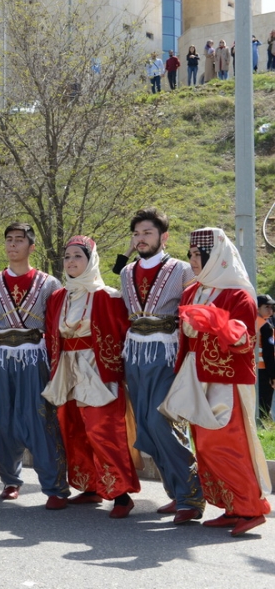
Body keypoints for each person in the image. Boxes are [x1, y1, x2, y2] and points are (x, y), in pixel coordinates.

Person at [160, 228, 272, 536]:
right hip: (196, 375)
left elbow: (243, 338)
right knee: (205, 444)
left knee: (228, 443)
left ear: (215, 256)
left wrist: (221, 327)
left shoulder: (238, 294)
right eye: (191, 254)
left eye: (199, 254)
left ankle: (249, 507)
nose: (193, 260)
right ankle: (231, 506)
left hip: (226, 380)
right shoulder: (192, 291)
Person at [41, 235, 140, 518]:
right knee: (73, 429)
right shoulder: (59, 296)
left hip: (97, 369)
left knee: (102, 430)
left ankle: (121, 495)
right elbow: (52, 334)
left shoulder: (107, 296)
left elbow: (122, 335)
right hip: (67, 368)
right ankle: (90, 486)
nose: (71, 262)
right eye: (68, 257)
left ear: (91, 260)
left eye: (78, 256)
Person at [117, 209, 202, 523]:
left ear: (164, 237)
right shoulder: (126, 273)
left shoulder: (181, 270)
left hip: (167, 353)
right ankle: (177, 493)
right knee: (145, 426)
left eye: (147, 233)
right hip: (135, 353)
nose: (141, 239)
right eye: (137, 234)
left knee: (161, 422)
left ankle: (192, 495)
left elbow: (192, 314)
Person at [0, 223, 69, 509]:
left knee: (39, 419)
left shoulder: (49, 284)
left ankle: (54, 486)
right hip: (0, 358)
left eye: (19, 240)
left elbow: (55, 327)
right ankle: (10, 479)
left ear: (31, 247)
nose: (13, 245)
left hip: (34, 357)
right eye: (8, 240)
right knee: (2, 420)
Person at [256, 294, 275, 420]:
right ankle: (263, 425)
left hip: (254, 369)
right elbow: (269, 353)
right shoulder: (266, 326)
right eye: (266, 307)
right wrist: (273, 375)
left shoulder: (251, 322)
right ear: (257, 308)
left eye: (271, 307)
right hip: (265, 371)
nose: (270, 310)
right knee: (264, 404)